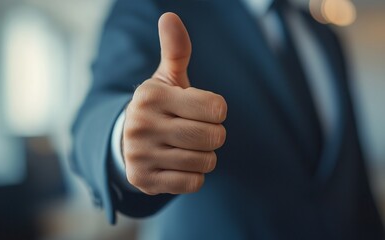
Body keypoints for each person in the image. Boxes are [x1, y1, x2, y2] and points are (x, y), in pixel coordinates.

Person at [71, 0, 384, 239]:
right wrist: (122, 138)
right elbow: (94, 115)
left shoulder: (325, 36)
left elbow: (352, 178)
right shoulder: (156, 7)